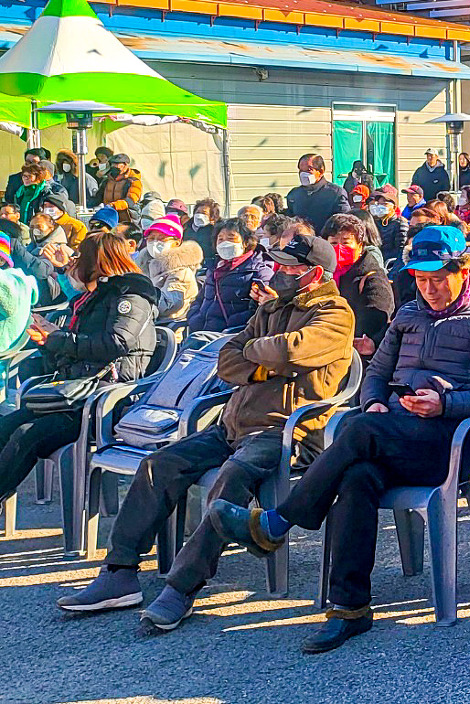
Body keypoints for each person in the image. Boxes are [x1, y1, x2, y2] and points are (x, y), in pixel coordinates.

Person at [209, 227, 470, 652]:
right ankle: (349, 608)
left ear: (461, 271)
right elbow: (375, 372)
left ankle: (277, 522)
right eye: (420, 279)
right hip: (392, 431)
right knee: (357, 475)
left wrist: (446, 403)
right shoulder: (409, 315)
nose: (427, 289)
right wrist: (374, 399)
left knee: (357, 430)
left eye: (436, 279)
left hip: (450, 441)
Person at [58, 234, 355, 628]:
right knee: (158, 464)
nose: (279, 273)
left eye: (288, 268)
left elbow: (292, 350)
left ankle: (181, 588)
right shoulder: (270, 309)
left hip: (284, 432)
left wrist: (259, 355)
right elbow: (227, 360)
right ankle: (119, 572)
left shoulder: (335, 314)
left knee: (233, 476)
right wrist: (263, 362)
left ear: (314, 274)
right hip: (232, 423)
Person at [0, 233, 158, 504]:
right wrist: (48, 338)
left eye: (81, 257)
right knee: (6, 425)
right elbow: (77, 346)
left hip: (102, 398)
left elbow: (116, 342)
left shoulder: (132, 296)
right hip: (73, 391)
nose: (75, 262)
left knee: (28, 435)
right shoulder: (92, 298)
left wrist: (56, 338)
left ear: (98, 262)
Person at [321, 214, 395, 358]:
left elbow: (373, 322)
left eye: (346, 242)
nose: (339, 248)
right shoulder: (326, 274)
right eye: (334, 243)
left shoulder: (372, 278)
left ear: (360, 245)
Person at [187, 219, 275, 333]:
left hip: (232, 335)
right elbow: (200, 298)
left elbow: (261, 307)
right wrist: (194, 317)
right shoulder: (214, 268)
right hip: (202, 331)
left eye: (231, 238)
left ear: (245, 242)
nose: (225, 243)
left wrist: (232, 323)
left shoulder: (259, 269)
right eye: (221, 239)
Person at [135, 215, 204, 323]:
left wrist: (136, 300)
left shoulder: (182, 272)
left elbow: (169, 304)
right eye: (151, 239)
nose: (155, 242)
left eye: (161, 238)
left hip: (167, 331)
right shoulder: (143, 266)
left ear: (176, 243)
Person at [287, 154, 351, 230]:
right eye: (301, 171)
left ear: (321, 171)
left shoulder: (336, 194)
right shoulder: (294, 194)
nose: (303, 174)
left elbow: (343, 223)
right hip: (300, 239)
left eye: (309, 170)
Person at [89, 153, 143, 226]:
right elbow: (99, 197)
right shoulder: (107, 180)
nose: (114, 166)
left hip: (128, 218)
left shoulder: (133, 181)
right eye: (113, 164)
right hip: (109, 216)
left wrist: (112, 206)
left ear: (125, 165)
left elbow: (130, 200)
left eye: (117, 164)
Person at [187, 199, 222, 264]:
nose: (199, 215)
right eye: (197, 212)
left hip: (207, 264)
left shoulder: (215, 230)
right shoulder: (187, 228)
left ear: (211, 217)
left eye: (204, 213)